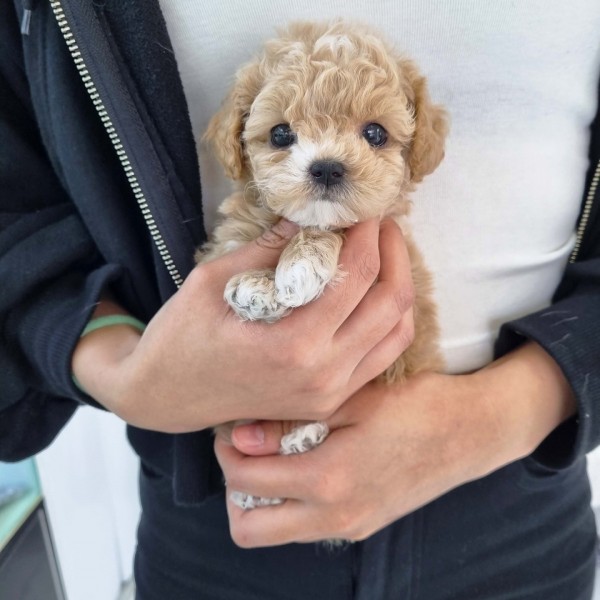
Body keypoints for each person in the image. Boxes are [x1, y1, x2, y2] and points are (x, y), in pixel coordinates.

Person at [1, 1, 599, 598]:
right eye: (283, 136)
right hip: (213, 497)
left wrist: (503, 412)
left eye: (374, 134)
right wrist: (116, 366)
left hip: (522, 494)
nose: (327, 162)